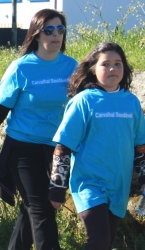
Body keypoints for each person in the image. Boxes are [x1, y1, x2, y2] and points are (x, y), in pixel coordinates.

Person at [0, 9, 77, 250]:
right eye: (49, 30)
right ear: (37, 34)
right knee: (42, 207)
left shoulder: (72, 67)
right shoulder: (21, 68)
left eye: (60, 30)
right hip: (22, 149)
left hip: (57, 150)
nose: (56, 35)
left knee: (30, 209)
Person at [49, 42, 145, 249]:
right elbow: (63, 146)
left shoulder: (131, 102)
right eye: (106, 64)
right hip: (89, 184)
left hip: (119, 186)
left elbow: (141, 148)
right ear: (93, 69)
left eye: (118, 64)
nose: (112, 69)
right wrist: (57, 187)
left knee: (106, 242)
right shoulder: (83, 101)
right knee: (98, 241)